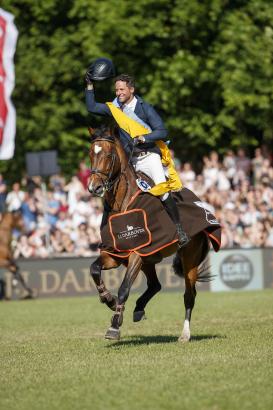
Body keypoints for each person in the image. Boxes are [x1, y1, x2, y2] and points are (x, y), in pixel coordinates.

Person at [85, 66, 190, 247]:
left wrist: (144, 137)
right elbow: (91, 106)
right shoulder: (114, 108)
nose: (118, 93)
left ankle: (179, 230)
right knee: (111, 191)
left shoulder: (145, 108)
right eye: (116, 90)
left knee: (163, 192)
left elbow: (162, 131)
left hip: (149, 157)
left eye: (122, 90)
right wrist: (89, 85)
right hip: (130, 160)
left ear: (131, 89)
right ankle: (107, 237)